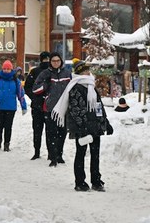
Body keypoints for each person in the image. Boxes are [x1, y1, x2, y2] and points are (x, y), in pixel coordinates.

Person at [53, 60, 113, 191]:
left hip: (95, 126)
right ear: (80, 73)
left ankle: (96, 181)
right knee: (80, 154)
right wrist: (83, 128)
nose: (88, 72)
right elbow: (75, 110)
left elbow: (98, 106)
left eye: (88, 70)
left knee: (95, 155)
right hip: (81, 128)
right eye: (85, 71)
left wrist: (105, 122)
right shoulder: (75, 87)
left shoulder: (91, 87)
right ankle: (80, 182)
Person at [33, 52, 72, 167]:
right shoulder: (45, 73)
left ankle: (59, 154)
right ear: (50, 62)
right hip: (50, 108)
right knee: (51, 133)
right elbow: (35, 89)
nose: (56, 63)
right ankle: (53, 156)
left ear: (61, 62)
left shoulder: (67, 73)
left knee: (62, 133)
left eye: (58, 61)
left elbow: (72, 88)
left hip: (63, 108)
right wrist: (46, 84)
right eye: (53, 61)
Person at [0, 60, 27, 151]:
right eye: (4, 68)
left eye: (8, 69)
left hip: (10, 107)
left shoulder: (15, 80)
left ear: (11, 69)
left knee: (8, 126)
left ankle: (6, 144)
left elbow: (20, 94)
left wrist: (23, 106)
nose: (6, 70)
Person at [24, 51, 51, 160]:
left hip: (42, 105)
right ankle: (42, 152)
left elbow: (27, 87)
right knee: (44, 131)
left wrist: (35, 98)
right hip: (43, 105)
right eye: (45, 59)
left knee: (42, 130)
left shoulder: (36, 71)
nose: (46, 61)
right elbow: (27, 87)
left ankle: (41, 152)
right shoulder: (38, 71)